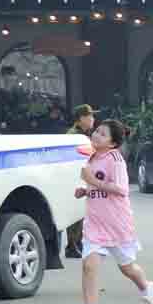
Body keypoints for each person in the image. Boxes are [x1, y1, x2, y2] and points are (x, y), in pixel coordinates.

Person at [69, 119, 153, 304]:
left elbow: (121, 189)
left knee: (127, 268)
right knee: (88, 266)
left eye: (103, 134)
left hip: (116, 224)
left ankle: (147, 288)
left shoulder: (115, 159)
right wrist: (85, 190)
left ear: (112, 143)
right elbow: (95, 184)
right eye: (97, 131)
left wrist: (92, 181)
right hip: (94, 224)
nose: (97, 135)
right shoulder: (92, 156)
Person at [63, 104, 97, 259]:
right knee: (75, 212)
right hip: (75, 178)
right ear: (81, 118)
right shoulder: (74, 135)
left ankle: (78, 243)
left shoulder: (84, 134)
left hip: (83, 176)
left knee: (83, 212)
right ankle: (71, 245)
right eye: (89, 116)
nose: (92, 119)